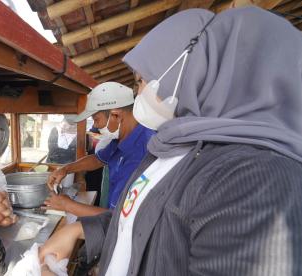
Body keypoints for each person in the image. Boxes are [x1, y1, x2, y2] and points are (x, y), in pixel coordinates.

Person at [40, 7, 302, 275]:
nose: (139, 93)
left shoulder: (257, 180)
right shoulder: (174, 148)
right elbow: (141, 221)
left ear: (192, 74)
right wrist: (81, 228)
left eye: (141, 81)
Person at [45, 82, 155, 216]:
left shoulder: (143, 152)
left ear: (116, 115)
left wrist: (67, 205)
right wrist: (65, 169)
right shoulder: (122, 138)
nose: (95, 127)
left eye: (96, 120)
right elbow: (98, 160)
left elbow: (118, 218)